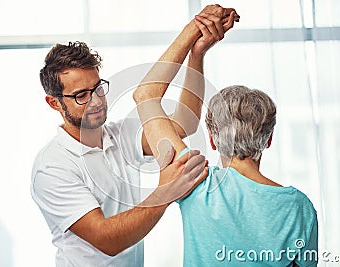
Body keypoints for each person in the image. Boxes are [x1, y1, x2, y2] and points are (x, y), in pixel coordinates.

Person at [31, 4, 238, 266]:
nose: (95, 101)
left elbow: (185, 123)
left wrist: (196, 54)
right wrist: (165, 192)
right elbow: (107, 240)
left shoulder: (121, 135)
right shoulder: (52, 166)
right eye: (81, 95)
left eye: (98, 88)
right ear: (54, 103)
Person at [133, 10, 318, 267]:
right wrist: (198, 52)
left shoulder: (195, 183)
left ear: (211, 139)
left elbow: (145, 96)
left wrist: (194, 34)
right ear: (268, 139)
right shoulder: (300, 207)